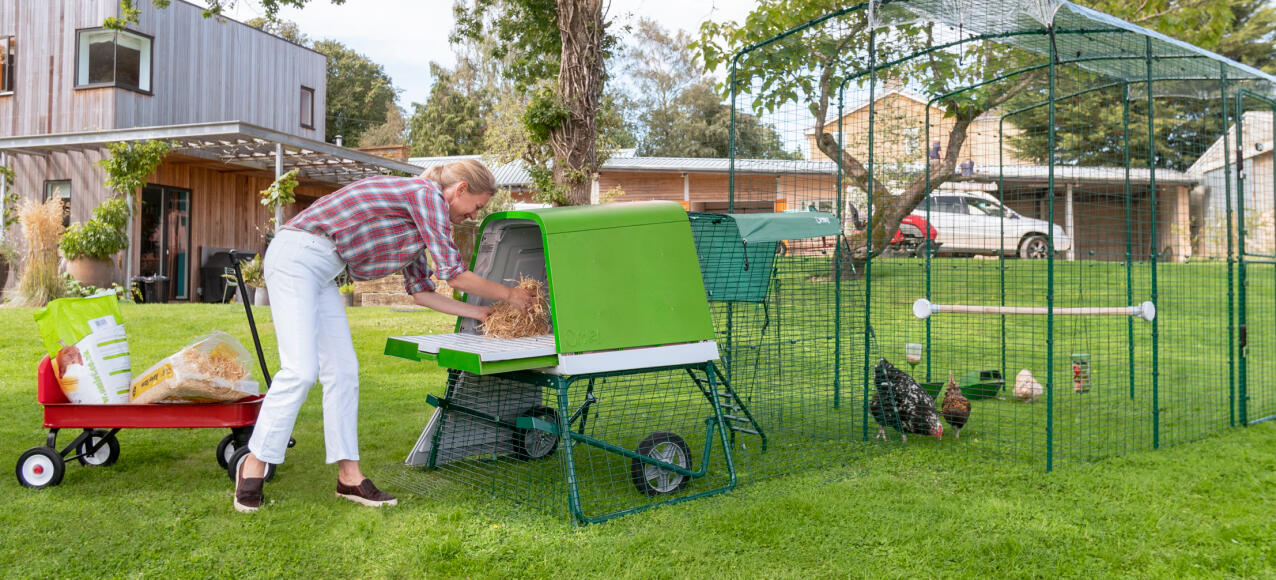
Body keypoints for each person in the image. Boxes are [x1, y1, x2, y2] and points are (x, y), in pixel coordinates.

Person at [233, 159, 534, 513]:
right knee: (300, 371)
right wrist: (511, 295)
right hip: (298, 254)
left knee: (343, 372)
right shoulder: (426, 195)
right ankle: (253, 465)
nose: (473, 215)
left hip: (326, 269)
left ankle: (350, 478)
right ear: (460, 189)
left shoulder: (421, 223)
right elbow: (453, 274)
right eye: (477, 206)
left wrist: (479, 312)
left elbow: (421, 292)